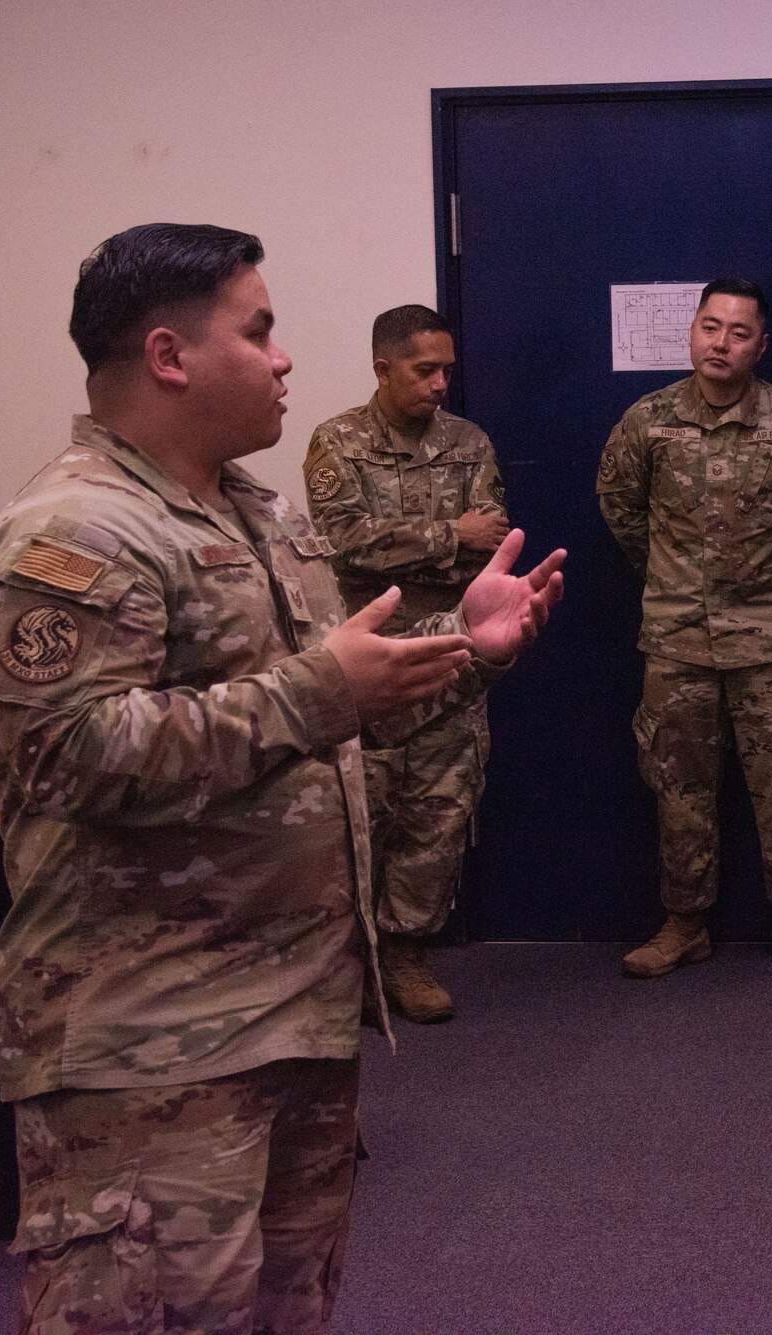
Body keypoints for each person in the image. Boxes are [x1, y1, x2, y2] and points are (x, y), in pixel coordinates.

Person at [0, 223, 564, 1334]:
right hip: (147, 1046)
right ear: (169, 356)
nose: (286, 359)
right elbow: (59, 757)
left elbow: (328, 724)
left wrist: (464, 655)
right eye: (261, 330)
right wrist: (318, 693)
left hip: (290, 1017)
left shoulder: (252, 515)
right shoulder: (74, 533)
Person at [597, 277, 772, 978]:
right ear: (691, 331)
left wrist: (769, 574)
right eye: (711, 327)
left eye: (739, 333)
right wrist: (676, 577)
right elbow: (621, 506)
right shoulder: (647, 421)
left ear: (761, 345)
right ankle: (684, 923)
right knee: (678, 785)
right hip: (676, 638)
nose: (722, 342)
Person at [304, 304, 510, 1023]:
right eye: (425, 370)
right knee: (366, 815)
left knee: (441, 814)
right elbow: (343, 542)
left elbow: (495, 541)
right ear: (383, 369)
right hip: (374, 662)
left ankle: (404, 954)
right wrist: (449, 533)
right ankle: (349, 964)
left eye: (446, 369)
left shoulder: (469, 442)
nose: (440, 383)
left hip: (454, 655)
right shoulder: (338, 443)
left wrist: (443, 542)